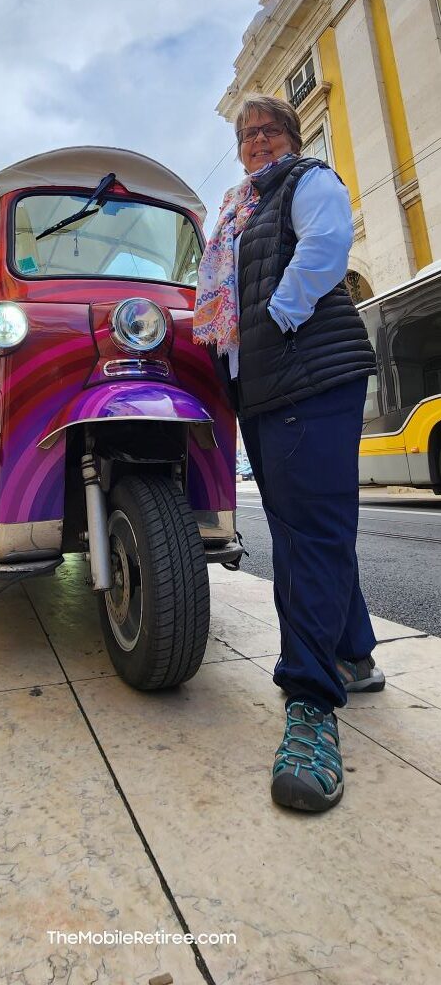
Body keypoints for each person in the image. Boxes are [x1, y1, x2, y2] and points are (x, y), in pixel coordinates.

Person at [193, 93, 384, 813]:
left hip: (309, 371)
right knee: (311, 530)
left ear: (292, 137)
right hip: (267, 388)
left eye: (269, 129)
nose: (256, 141)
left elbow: (327, 247)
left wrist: (275, 319)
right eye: (247, 135)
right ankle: (355, 653)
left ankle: (310, 699)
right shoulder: (237, 213)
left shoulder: (309, 181)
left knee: (310, 539)